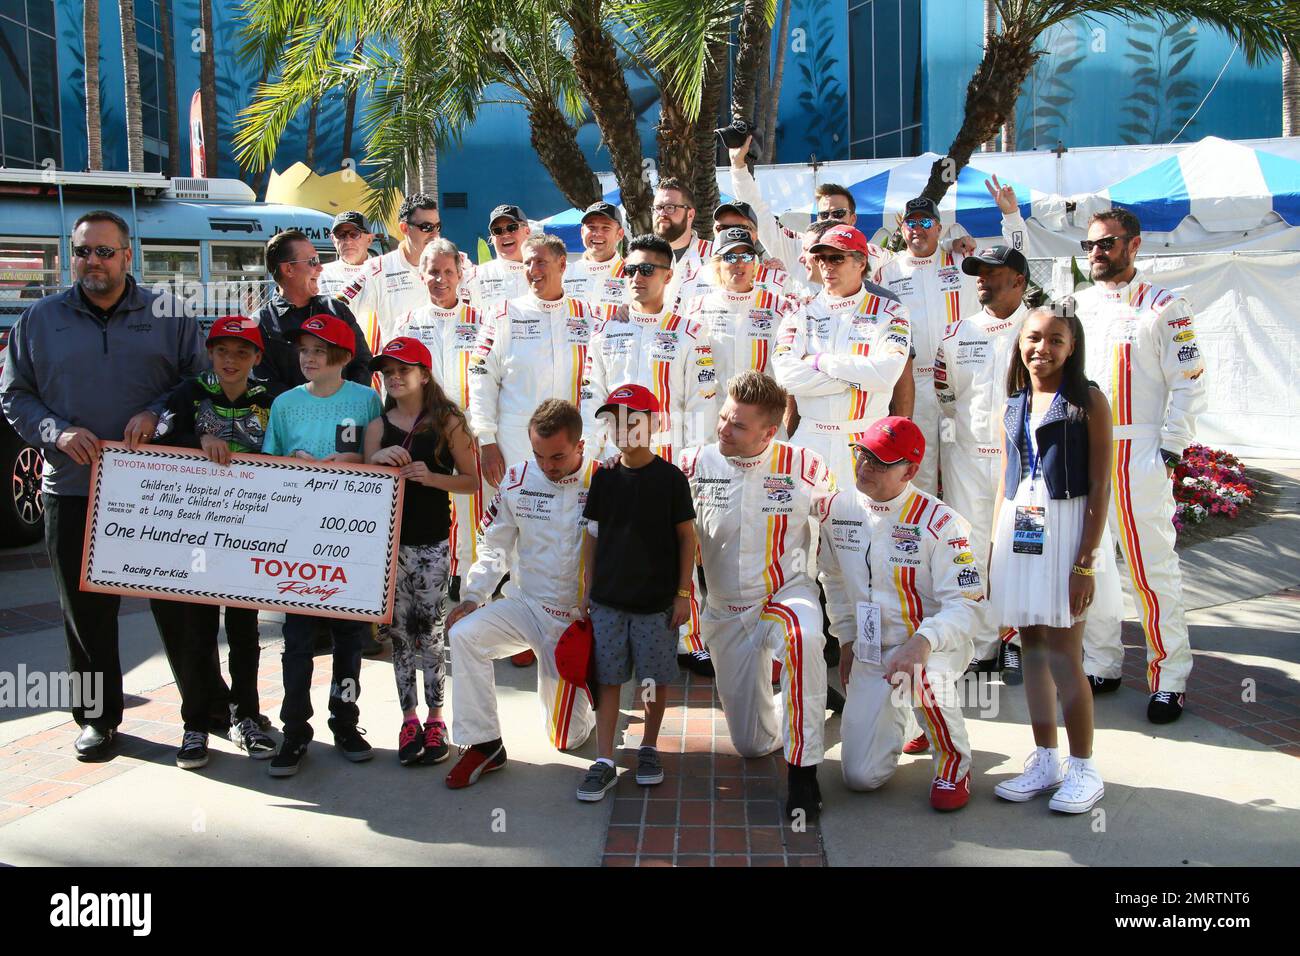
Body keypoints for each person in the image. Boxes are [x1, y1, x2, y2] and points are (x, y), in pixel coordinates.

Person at [0, 210, 204, 762]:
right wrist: (56, 432)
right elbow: (15, 394)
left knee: (178, 606)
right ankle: (97, 719)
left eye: (105, 252)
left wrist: (158, 416)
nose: (94, 262)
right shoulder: (39, 319)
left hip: (156, 491)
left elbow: (200, 381)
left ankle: (201, 718)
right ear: (73, 255)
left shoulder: (169, 312)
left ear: (128, 255)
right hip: (71, 487)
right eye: (84, 251)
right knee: (85, 613)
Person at [1075, 209, 1206, 724]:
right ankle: (1103, 664)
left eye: (1106, 244)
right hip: (1087, 450)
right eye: (1089, 246)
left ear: (1134, 246)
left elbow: (1191, 380)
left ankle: (1169, 677)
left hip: (1139, 451)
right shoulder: (1079, 306)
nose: (1096, 254)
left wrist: (1170, 449)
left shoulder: (1167, 307)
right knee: (1094, 566)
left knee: (1152, 569)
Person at [680, 371, 831, 819]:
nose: (724, 429)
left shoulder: (806, 465)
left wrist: (843, 619)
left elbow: (840, 538)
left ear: (770, 431)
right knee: (750, 745)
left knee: (805, 639)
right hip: (725, 610)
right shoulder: (691, 463)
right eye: (724, 417)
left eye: (738, 425)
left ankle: (804, 774)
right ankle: (810, 703)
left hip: (783, 593)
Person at [817, 416, 987, 811]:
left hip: (934, 649)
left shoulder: (942, 523)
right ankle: (913, 720)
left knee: (919, 672)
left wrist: (923, 642)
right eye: (863, 453)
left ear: (909, 471)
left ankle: (954, 765)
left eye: (880, 461)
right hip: (871, 650)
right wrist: (846, 640)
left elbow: (969, 604)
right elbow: (834, 578)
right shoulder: (838, 509)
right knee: (860, 778)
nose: (865, 466)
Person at [988, 305, 1119, 813]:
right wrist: (997, 550)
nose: (1042, 348)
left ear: (1072, 347)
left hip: (1068, 532)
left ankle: (1084, 767)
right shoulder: (1014, 403)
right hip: (1023, 530)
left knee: (1066, 654)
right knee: (1033, 652)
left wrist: (1084, 563)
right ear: (1019, 343)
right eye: (1033, 338)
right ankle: (1045, 758)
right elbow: (1007, 479)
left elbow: (1100, 485)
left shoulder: (1088, 401)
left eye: (1056, 339)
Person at [443, 400, 600, 788]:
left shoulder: (604, 479)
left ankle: (592, 691)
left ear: (580, 445)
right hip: (525, 604)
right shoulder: (516, 479)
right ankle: (484, 745)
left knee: (567, 739)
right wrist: (472, 596)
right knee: (464, 635)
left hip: (574, 621)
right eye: (539, 454)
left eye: (558, 456)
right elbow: (493, 545)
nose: (547, 465)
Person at [151, 316, 283, 768]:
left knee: (246, 631)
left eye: (242, 352)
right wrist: (198, 436)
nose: (231, 361)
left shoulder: (270, 399)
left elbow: (284, 450)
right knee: (198, 630)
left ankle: (247, 716)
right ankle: (195, 723)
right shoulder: (189, 393)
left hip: (250, 530)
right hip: (197, 532)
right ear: (210, 353)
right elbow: (158, 438)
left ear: (257, 358)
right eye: (223, 351)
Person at [261, 313, 384, 776]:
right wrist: (291, 460)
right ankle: (294, 731)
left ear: (342, 357)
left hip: (349, 539)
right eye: (304, 350)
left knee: (349, 639)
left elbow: (375, 459)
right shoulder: (286, 404)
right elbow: (269, 460)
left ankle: (346, 723)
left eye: (318, 350)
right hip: (298, 538)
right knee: (296, 641)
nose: (308, 358)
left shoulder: (366, 399)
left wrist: (353, 459)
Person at [575, 385, 697, 801]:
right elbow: (592, 536)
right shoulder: (604, 475)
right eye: (614, 422)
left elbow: (687, 537)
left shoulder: (671, 479)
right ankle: (605, 759)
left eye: (633, 421)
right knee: (608, 680)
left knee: (651, 679)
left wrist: (683, 593)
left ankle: (648, 746)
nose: (623, 429)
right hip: (608, 603)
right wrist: (587, 591)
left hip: (655, 605)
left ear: (655, 424)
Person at [364, 337, 480, 766]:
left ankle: (436, 718)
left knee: (428, 634)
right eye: (388, 371)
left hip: (431, 542)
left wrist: (432, 478)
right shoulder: (378, 425)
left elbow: (470, 481)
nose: (394, 378)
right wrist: (375, 461)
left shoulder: (447, 421)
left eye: (403, 370)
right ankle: (407, 718)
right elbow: (360, 487)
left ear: (424, 375)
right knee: (398, 635)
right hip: (389, 545)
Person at [876, 193, 1027, 496]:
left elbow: (1014, 258)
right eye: (911, 222)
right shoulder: (887, 272)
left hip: (963, 381)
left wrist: (1012, 216)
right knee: (919, 466)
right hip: (913, 384)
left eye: (926, 222)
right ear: (901, 228)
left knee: (965, 458)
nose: (917, 228)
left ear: (940, 227)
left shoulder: (964, 261)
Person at [934, 244, 1031, 683]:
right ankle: (983, 644)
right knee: (971, 553)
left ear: (1019, 282)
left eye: (994, 273)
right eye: (979, 272)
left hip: (1025, 461)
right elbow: (946, 395)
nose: (983, 280)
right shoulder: (957, 334)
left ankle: (1016, 641)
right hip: (968, 459)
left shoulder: (1039, 327)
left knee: (1020, 549)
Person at [772, 225, 910, 490]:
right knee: (804, 528)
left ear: (861, 262)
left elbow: (887, 375)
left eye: (837, 257)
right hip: (810, 436)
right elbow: (786, 377)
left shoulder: (891, 310)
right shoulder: (799, 309)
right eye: (821, 258)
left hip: (865, 439)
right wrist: (860, 378)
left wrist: (819, 361)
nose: (826, 266)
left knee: (858, 527)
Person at [391, 240, 488, 586]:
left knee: (474, 508)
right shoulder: (406, 322)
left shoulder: (482, 321)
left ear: (461, 275)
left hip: (472, 431)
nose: (441, 279)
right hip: (424, 434)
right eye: (434, 271)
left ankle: (472, 584)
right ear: (422, 274)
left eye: (448, 272)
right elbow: (390, 378)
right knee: (431, 508)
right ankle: (438, 579)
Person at [469, 234, 596, 488]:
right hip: (515, 445)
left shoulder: (589, 315)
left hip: (571, 448)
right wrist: (487, 441)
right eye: (527, 263)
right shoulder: (502, 314)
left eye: (540, 262)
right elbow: (480, 376)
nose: (532, 270)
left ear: (562, 265)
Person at [583, 233, 717, 464]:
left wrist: (694, 461)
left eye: (646, 269)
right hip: (615, 459)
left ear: (668, 275)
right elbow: (591, 399)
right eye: (630, 270)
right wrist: (589, 458)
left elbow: (701, 403)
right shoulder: (604, 331)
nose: (636, 277)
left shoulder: (690, 333)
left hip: (669, 458)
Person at [252, 230, 372, 389]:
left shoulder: (337, 310)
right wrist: (309, 405)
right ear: (288, 269)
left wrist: (346, 401)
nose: (320, 268)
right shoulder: (261, 323)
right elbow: (265, 384)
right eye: (313, 261)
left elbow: (363, 362)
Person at [685, 228, 800, 391]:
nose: (739, 263)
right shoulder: (697, 307)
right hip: (714, 409)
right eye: (730, 257)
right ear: (718, 264)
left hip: (763, 409)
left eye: (747, 256)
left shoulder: (780, 306)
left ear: (754, 263)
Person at [337, 194, 443, 353]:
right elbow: (338, 307)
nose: (434, 234)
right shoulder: (378, 269)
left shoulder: (456, 264)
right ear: (404, 228)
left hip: (442, 375)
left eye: (437, 226)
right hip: (398, 372)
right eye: (426, 227)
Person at [652, 178, 714, 307]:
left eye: (670, 207)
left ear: (690, 214)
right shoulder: (639, 258)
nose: (662, 213)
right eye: (658, 208)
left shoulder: (715, 256)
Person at [463, 204, 532, 308]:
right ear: (492, 238)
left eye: (512, 228)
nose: (505, 234)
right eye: (497, 231)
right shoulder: (473, 277)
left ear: (527, 231)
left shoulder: (549, 272)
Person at [562, 201, 626, 314]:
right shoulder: (564, 274)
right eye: (591, 227)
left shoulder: (633, 276)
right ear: (582, 232)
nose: (597, 233)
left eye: (606, 228)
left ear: (620, 234)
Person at [317, 211, 374, 298]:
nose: (347, 241)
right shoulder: (320, 275)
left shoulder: (384, 272)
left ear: (369, 239)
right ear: (333, 239)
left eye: (354, 234)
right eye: (340, 234)